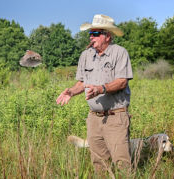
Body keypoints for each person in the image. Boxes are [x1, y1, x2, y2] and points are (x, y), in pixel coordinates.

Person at [56, 14, 133, 176]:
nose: (92, 36)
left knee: (122, 163)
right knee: (98, 163)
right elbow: (82, 83)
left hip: (115, 118)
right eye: (90, 33)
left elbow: (121, 82)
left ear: (108, 36)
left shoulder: (119, 53)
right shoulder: (86, 55)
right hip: (93, 119)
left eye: (96, 33)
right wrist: (71, 91)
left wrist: (101, 89)